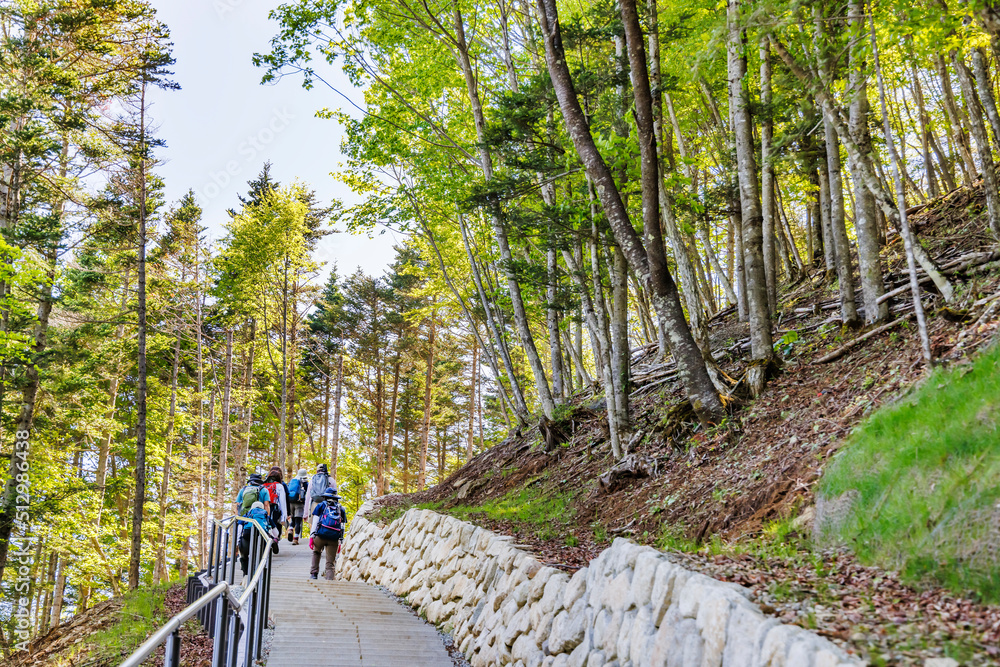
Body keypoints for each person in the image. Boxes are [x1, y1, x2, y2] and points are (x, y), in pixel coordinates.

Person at [309, 486, 347, 580]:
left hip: (320, 536)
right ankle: (329, 579)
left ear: (325, 496)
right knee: (330, 562)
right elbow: (342, 527)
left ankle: (314, 574)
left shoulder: (321, 505)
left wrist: (312, 536)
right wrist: (340, 541)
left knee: (316, 552)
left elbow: (315, 522)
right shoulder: (340, 509)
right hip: (334, 538)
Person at [239, 501, 272, 579]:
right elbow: (274, 531)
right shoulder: (265, 515)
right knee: (261, 556)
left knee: (244, 555)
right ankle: (259, 575)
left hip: (247, 534)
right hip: (262, 535)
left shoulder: (247, 514)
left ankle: (246, 573)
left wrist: (238, 540)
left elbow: (239, 526)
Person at [263, 467, 289, 550]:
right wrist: (283, 517)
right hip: (275, 509)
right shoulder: (280, 486)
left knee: (265, 526)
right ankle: (274, 540)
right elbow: (282, 502)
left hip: (264, 509)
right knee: (274, 526)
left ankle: (266, 542)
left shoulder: (263, 485)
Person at [286, 468, 308, 545]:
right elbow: (307, 493)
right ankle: (295, 539)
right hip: (299, 503)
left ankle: (290, 529)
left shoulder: (293, 481)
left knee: (293, 518)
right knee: (298, 521)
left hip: (291, 502)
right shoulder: (305, 482)